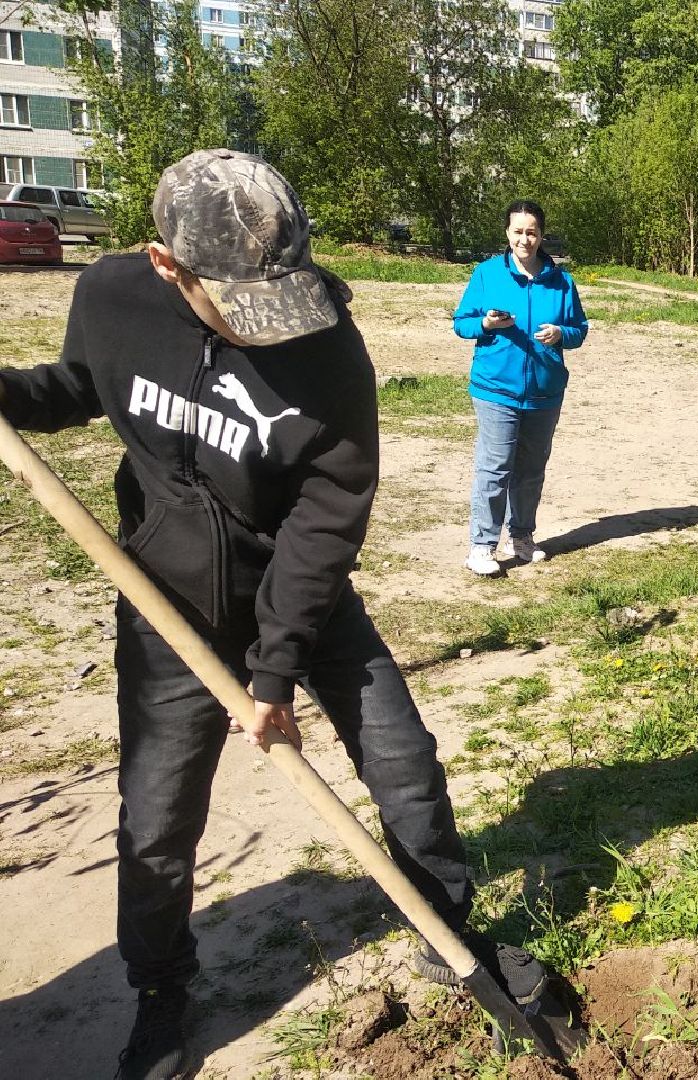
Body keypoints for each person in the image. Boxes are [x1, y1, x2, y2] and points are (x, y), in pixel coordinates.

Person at [0, 150, 560, 1080]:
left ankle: (447, 934)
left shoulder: (327, 338)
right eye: (242, 305)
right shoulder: (111, 296)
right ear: (167, 265)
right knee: (156, 818)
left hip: (303, 590)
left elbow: (332, 509)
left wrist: (273, 672)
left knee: (403, 764)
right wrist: (9, 394)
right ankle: (161, 990)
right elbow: (81, 384)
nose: (272, 327)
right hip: (167, 604)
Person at [453, 201, 588, 577]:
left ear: (541, 235)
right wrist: (485, 323)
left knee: (530, 470)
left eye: (531, 232)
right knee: (495, 468)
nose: (524, 239)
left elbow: (580, 329)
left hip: (545, 392)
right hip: (496, 389)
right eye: (518, 232)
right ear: (507, 234)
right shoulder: (487, 274)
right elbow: (461, 324)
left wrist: (563, 333)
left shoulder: (562, 282)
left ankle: (522, 536)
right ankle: (482, 546)